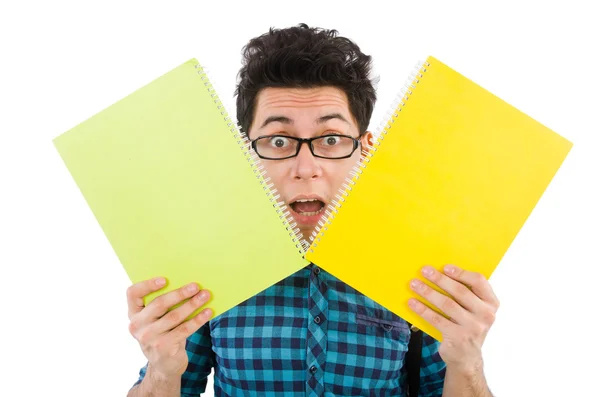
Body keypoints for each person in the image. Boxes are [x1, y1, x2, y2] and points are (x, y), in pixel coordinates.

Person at [126, 23, 499, 397]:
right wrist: (162, 370)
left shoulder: (419, 267)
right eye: (278, 140)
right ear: (244, 155)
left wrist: (468, 364)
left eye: (331, 139)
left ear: (366, 151)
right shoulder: (204, 272)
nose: (306, 168)